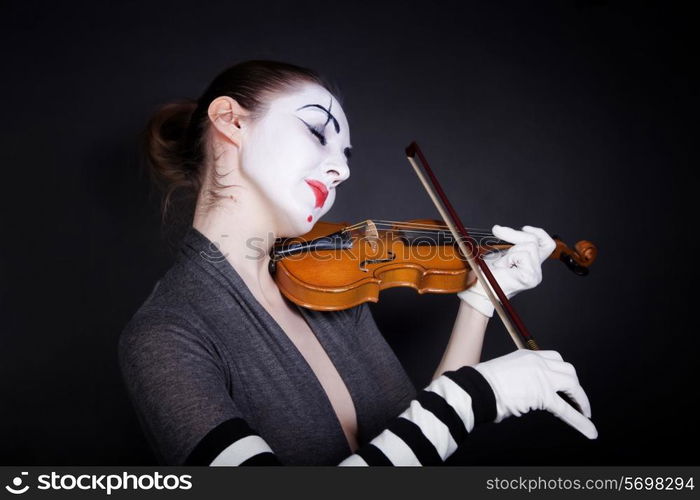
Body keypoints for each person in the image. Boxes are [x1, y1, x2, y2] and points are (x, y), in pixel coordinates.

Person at [118, 60, 597, 466]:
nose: (342, 169)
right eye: (316, 132)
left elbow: (414, 443)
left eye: (345, 155)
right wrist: (474, 397)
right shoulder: (165, 335)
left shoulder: (328, 283)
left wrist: (482, 299)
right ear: (232, 121)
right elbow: (446, 413)